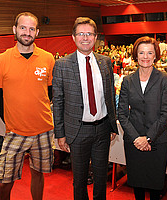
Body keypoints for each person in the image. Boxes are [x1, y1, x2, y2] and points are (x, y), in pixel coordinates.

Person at [0, 12, 55, 200]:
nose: (27, 32)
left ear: (37, 32)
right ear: (14, 29)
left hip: (43, 130)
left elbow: (50, 93)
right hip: (14, 132)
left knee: (38, 173)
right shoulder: (1, 60)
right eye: (23, 28)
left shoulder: (48, 58)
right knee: (3, 182)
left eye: (31, 29)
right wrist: (12, 120)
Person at [52, 17, 118, 200]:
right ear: (73, 37)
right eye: (81, 34)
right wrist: (60, 134)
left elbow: (110, 95)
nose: (85, 38)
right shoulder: (62, 64)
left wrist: (112, 125)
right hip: (77, 130)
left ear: (95, 37)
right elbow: (57, 101)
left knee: (100, 177)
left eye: (89, 34)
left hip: (103, 129)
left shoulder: (105, 62)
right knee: (79, 180)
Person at [118, 36, 167, 200]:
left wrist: (148, 138)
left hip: (157, 141)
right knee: (137, 185)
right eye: (141, 52)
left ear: (156, 55)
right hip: (134, 142)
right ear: (136, 55)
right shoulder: (127, 81)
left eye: (150, 53)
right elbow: (122, 113)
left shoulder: (164, 79)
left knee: (155, 188)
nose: (145, 57)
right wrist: (137, 138)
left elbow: (166, 113)